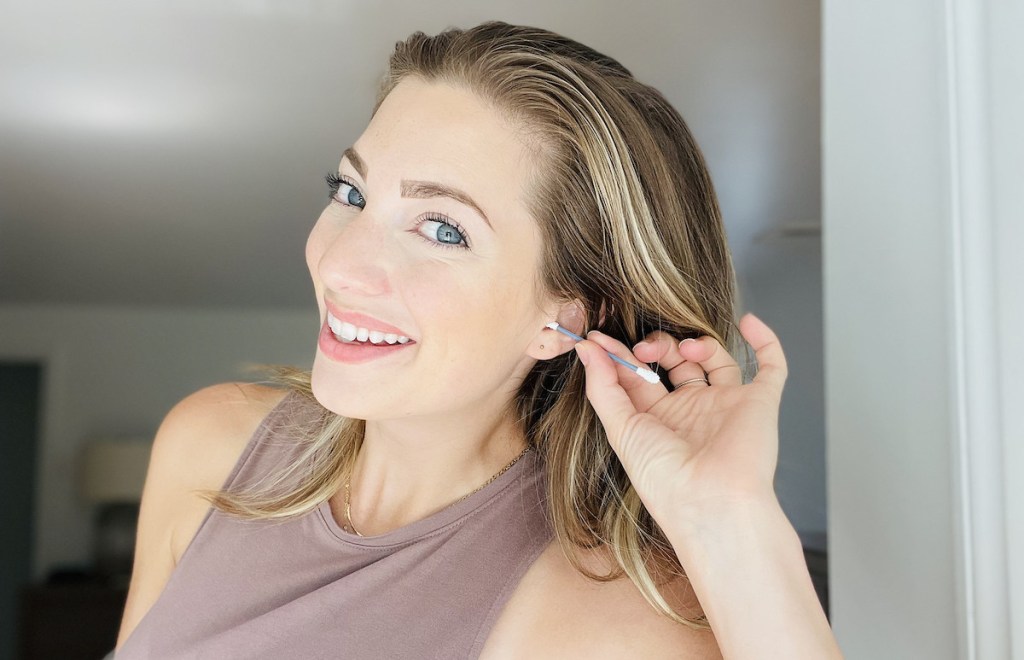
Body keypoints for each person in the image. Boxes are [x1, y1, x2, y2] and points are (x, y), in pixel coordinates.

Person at [114, 20, 841, 659]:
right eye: (352, 194)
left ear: (568, 319)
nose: (339, 264)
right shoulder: (210, 445)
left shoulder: (604, 621)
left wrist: (730, 516)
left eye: (442, 229)